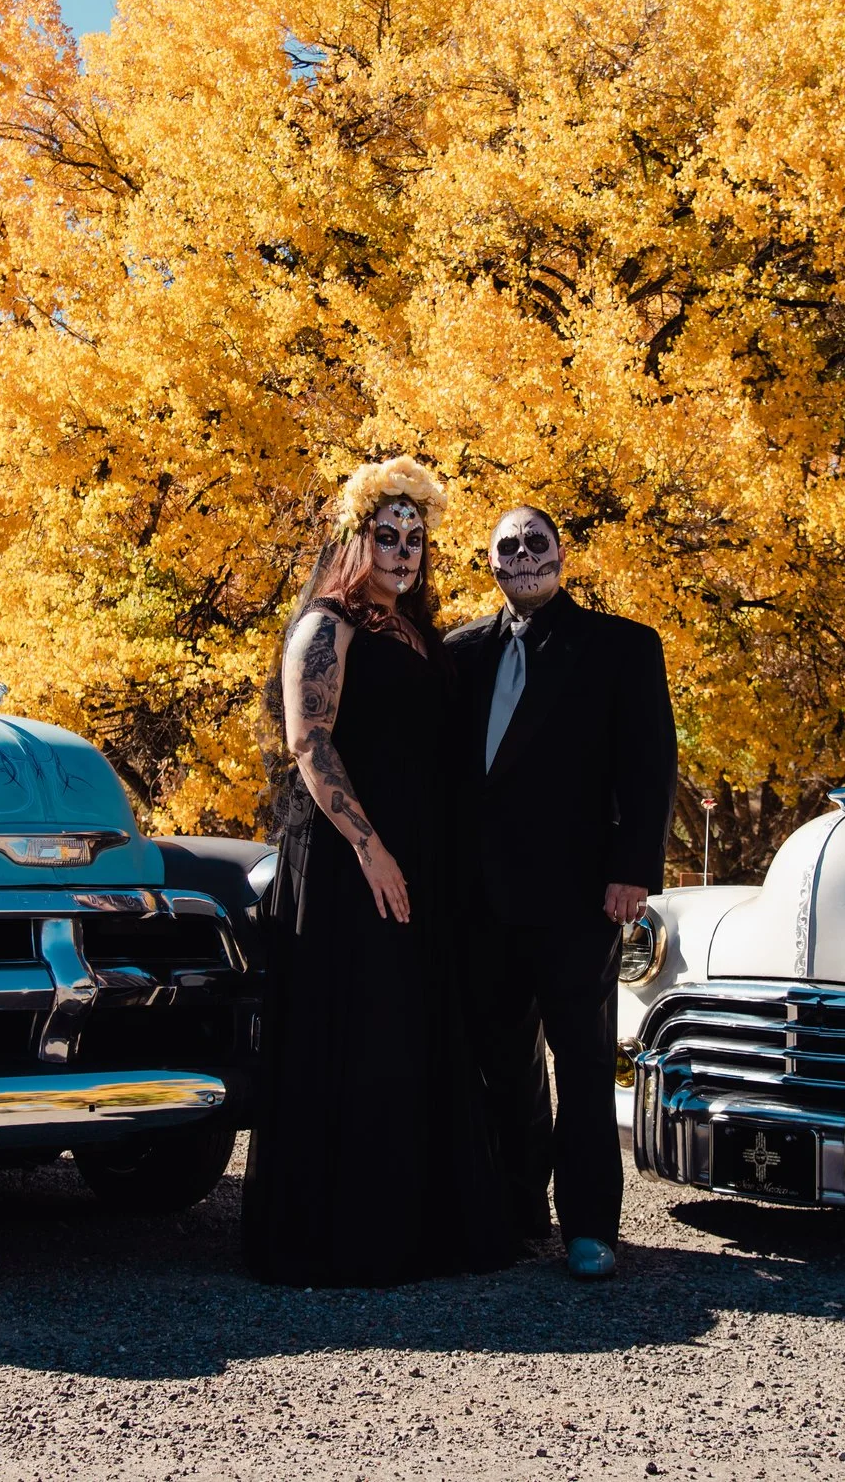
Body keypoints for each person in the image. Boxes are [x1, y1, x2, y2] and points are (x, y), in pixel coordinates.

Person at [241, 458, 519, 1287]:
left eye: (415, 539)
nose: (402, 552)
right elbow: (310, 744)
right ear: (355, 540)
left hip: (417, 864)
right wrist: (371, 848)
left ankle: (414, 1229)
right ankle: (346, 1237)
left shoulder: (416, 632)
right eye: (387, 536)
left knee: (410, 1033)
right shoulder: (328, 627)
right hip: (345, 863)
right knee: (358, 1032)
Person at [448, 506, 677, 1281]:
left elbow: (648, 768)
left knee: (581, 1061)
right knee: (501, 1060)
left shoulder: (621, 647)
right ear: (491, 563)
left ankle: (590, 1226)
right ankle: (519, 1210)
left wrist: (633, 868)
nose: (522, 555)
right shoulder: (460, 653)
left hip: (582, 895)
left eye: (534, 542)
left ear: (562, 554)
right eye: (506, 545)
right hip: (481, 897)